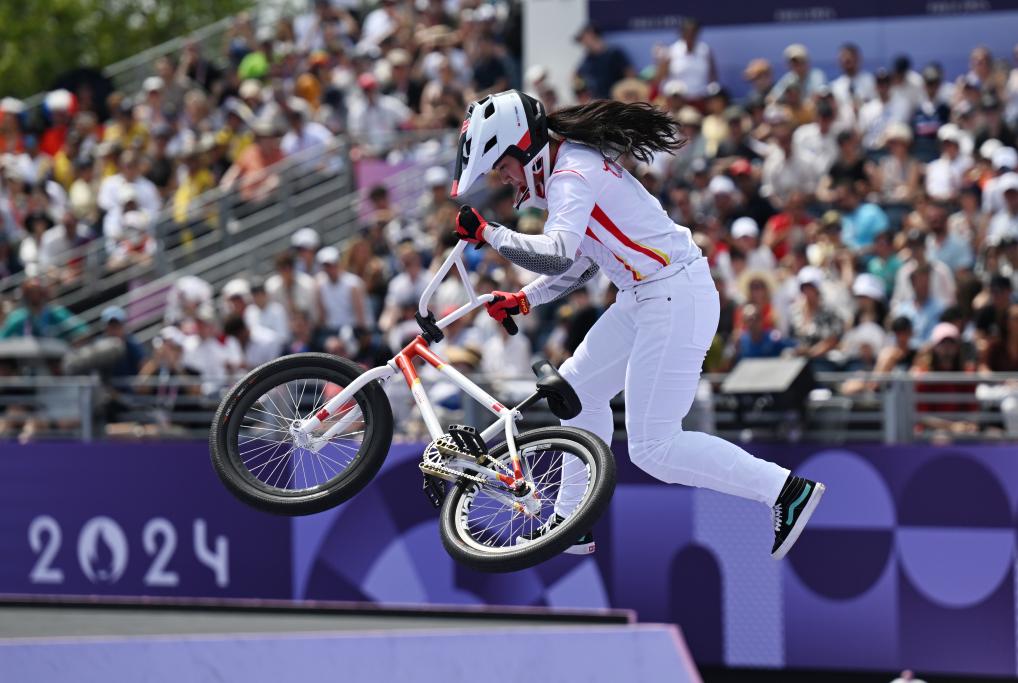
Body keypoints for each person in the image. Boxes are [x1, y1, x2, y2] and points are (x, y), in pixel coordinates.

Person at [449, 89, 825, 559]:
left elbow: (558, 254)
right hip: (648, 295)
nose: (503, 178)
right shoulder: (570, 166)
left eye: (502, 166)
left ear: (523, 146)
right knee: (575, 393)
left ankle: (785, 490)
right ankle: (572, 521)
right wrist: (526, 298)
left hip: (673, 296)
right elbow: (584, 262)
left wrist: (489, 233)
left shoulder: (570, 174)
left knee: (654, 448)